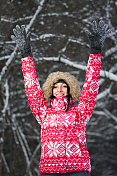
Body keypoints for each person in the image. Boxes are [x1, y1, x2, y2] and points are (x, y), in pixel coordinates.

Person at [11, 20, 111, 176]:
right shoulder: (43, 113)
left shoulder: (80, 113)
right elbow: (31, 86)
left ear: (70, 90)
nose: (60, 90)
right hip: (51, 171)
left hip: (78, 170)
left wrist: (95, 51)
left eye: (64, 86)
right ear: (50, 91)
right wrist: (26, 54)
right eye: (55, 86)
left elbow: (92, 83)